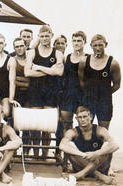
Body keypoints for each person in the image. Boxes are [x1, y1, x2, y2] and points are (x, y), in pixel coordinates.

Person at [24, 25, 64, 158]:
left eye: (47, 36)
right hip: (35, 91)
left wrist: (39, 67)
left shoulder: (57, 53)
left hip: (50, 92)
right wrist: (49, 71)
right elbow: (27, 72)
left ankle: (45, 155)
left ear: (52, 36)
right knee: (35, 124)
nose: (45, 38)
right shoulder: (32, 52)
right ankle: (36, 155)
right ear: (38, 37)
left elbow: (59, 72)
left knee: (47, 125)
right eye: (42, 36)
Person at [59, 106, 119, 184]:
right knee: (69, 146)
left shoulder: (100, 130)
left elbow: (115, 145)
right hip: (80, 165)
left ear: (90, 117)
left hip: (99, 164)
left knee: (107, 146)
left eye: (85, 116)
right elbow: (62, 146)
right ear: (76, 119)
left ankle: (79, 175)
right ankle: (98, 175)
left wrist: (95, 153)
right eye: (80, 117)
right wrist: (83, 154)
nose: (83, 119)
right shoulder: (72, 132)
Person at [78, 34, 121, 129]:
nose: (98, 48)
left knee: (103, 131)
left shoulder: (113, 63)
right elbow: (81, 81)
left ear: (106, 44)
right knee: (85, 130)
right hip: (88, 100)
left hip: (104, 102)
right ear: (91, 46)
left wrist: (104, 93)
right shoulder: (84, 61)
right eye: (95, 45)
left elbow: (117, 85)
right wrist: (89, 92)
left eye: (100, 45)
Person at [59, 31, 87, 144]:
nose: (76, 43)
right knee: (66, 125)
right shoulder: (68, 57)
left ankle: (81, 151)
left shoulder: (88, 58)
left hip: (82, 96)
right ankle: (67, 156)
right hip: (68, 95)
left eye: (79, 41)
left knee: (83, 124)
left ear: (84, 42)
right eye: (74, 41)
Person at [0, 34, 18, 121]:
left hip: (5, 94)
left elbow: (12, 81)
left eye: (1, 43)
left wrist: (11, 98)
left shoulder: (10, 60)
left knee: (5, 113)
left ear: (4, 45)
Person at [12, 38, 31, 155]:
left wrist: (29, 82)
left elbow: (33, 80)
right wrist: (27, 82)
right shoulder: (12, 60)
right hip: (17, 95)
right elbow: (11, 80)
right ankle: (13, 152)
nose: (19, 48)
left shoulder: (30, 58)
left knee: (27, 124)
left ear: (25, 46)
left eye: (21, 46)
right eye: (17, 46)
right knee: (15, 123)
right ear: (14, 48)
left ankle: (25, 152)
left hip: (30, 95)